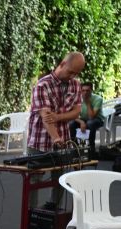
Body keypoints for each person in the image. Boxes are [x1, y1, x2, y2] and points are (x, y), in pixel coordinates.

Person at [26, 51, 85, 209]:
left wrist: (58, 117)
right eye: (71, 72)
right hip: (39, 140)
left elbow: (77, 112)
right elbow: (46, 117)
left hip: (62, 138)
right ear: (62, 64)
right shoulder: (42, 85)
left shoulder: (76, 85)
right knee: (34, 179)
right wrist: (56, 138)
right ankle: (31, 215)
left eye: (76, 73)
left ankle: (53, 211)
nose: (72, 76)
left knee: (60, 177)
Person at [69, 81, 104, 157]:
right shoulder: (77, 99)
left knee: (90, 123)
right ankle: (76, 149)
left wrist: (87, 102)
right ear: (80, 91)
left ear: (91, 90)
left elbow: (91, 117)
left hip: (97, 119)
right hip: (83, 119)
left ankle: (91, 149)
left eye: (87, 90)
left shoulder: (98, 99)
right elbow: (72, 115)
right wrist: (81, 122)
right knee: (71, 124)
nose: (85, 93)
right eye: (83, 90)